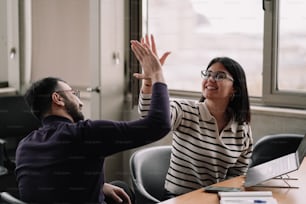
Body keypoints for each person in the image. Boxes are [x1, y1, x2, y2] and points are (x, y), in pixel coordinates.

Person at [15, 40, 171, 204]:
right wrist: (157, 75)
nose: (80, 103)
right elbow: (158, 125)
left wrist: (101, 186)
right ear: (58, 98)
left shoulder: (24, 145)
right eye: (74, 94)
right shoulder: (84, 134)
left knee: (119, 187)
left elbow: (48, 184)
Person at [135, 35, 253, 199]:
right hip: (179, 198)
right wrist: (150, 80)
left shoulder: (242, 129)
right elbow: (151, 116)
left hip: (214, 199)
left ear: (235, 89)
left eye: (219, 76)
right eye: (208, 74)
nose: (210, 79)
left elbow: (236, 178)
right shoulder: (186, 111)